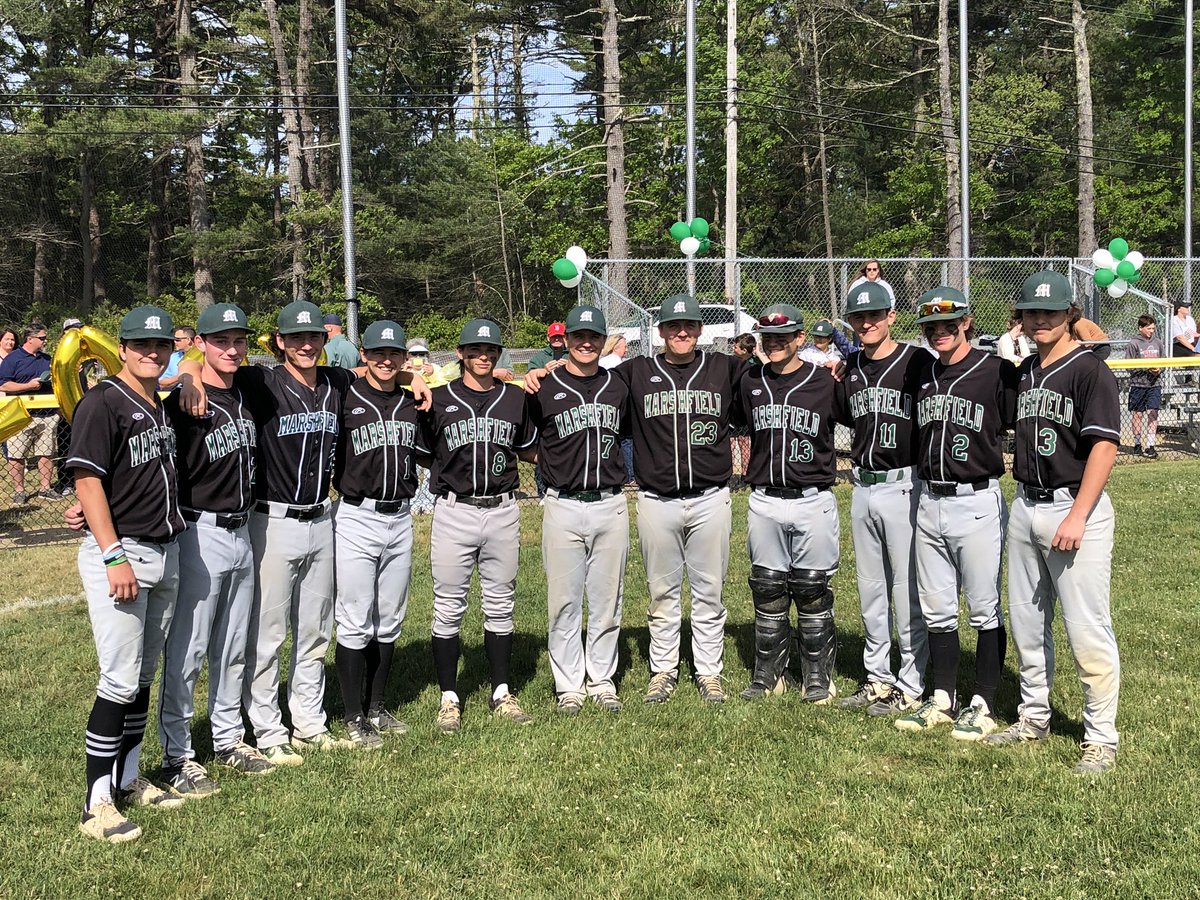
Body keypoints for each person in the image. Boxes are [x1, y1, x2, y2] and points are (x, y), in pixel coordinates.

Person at [176, 300, 428, 764]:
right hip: (271, 521)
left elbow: (387, 374)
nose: (305, 344)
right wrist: (189, 373)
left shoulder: (336, 382)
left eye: (313, 337)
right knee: (268, 632)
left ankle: (308, 721)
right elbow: (199, 358)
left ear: (325, 341)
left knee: (314, 631)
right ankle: (268, 728)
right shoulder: (261, 381)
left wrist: (415, 378)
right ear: (279, 342)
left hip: (323, 518)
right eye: (295, 338)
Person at [532, 293, 746, 705]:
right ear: (659, 332)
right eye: (671, 326)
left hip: (711, 497)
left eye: (687, 325)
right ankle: (662, 670)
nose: (680, 332)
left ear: (700, 329)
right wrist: (540, 371)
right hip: (655, 499)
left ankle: (709, 671)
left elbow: (771, 372)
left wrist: (829, 365)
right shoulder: (634, 373)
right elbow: (583, 376)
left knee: (710, 591)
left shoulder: (724, 368)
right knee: (661, 592)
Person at [986, 270, 1122, 775]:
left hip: (1072, 506)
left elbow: (1104, 447)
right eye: (1030, 312)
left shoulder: (1089, 370)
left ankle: (1101, 736)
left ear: (1070, 315)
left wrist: (1079, 514)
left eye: (1050, 311)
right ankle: (1034, 717)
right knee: (1026, 622)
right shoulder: (1025, 372)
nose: (1039, 319)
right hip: (1025, 504)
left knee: (1086, 628)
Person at [68, 305, 186, 844]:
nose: (153, 353)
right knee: (117, 679)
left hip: (164, 549)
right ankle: (97, 803)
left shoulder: (156, 401)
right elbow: (88, 483)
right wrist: (112, 553)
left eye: (161, 346)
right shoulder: (101, 401)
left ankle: (131, 776)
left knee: (142, 676)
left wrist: (185, 378)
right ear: (122, 347)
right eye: (142, 346)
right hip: (124, 554)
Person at [152, 302, 273, 796]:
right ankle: (177, 754)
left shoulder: (247, 389)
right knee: (191, 647)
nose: (230, 348)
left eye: (238, 339)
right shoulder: (183, 401)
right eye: (219, 340)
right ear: (198, 343)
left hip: (243, 530)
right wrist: (185, 374)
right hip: (200, 531)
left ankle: (227, 737)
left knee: (234, 642)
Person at [895, 287, 1019, 742]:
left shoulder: (996, 370)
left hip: (977, 497)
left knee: (984, 607)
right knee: (939, 606)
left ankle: (984, 701)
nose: (940, 332)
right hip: (929, 497)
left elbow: (1018, 419)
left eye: (949, 324)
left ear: (966, 322)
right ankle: (943, 696)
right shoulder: (923, 371)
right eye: (931, 326)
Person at [417, 319, 538, 732]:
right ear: (460, 352)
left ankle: (501, 690)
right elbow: (422, 453)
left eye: (490, 350)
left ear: (499, 354)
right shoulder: (435, 399)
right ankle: (449, 696)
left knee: (501, 603)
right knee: (448, 606)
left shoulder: (514, 399)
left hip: (503, 509)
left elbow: (528, 450)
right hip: (455, 510)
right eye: (475, 349)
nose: (483, 355)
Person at [525, 305, 629, 715]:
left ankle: (601, 679)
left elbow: (629, 432)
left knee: (607, 599)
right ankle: (569, 684)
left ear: (603, 342)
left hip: (610, 502)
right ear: (565, 340)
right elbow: (526, 440)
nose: (586, 342)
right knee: (563, 599)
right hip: (563, 503)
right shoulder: (543, 387)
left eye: (594, 336)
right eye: (578, 336)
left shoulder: (618, 385)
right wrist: (554, 463)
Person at [734, 304, 841, 704]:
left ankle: (817, 676)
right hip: (764, 497)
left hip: (812, 497)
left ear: (800, 339)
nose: (775, 343)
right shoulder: (750, 380)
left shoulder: (825, 381)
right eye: (768, 337)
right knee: (767, 587)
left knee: (812, 589)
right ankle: (769, 674)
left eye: (785, 336)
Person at [833, 282, 930, 718]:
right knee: (871, 589)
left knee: (906, 588)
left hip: (904, 483)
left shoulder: (918, 362)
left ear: (892, 315)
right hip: (862, 485)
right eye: (859, 317)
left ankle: (911, 682)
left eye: (875, 315)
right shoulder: (850, 365)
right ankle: (877, 678)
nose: (867, 323)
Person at [333, 320, 421, 748]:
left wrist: (415, 378)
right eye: (377, 353)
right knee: (354, 618)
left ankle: (377, 707)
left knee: (389, 618)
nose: (386, 360)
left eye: (394, 354)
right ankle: (352, 716)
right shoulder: (344, 394)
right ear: (362, 355)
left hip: (401, 517)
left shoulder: (412, 402)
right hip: (356, 516)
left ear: (404, 357)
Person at [0, 323, 58, 503]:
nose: (45, 340)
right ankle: (19, 491)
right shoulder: (13, 359)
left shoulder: (47, 359)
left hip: (47, 414)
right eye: (42, 338)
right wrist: (28, 386)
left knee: (46, 452)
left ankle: (45, 488)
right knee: (17, 455)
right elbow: (3, 384)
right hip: (21, 415)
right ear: (29, 339)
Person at [1125, 315, 1164, 458]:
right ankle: (1137, 443)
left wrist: (1159, 369)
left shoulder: (1158, 343)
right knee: (1137, 414)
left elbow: (1163, 361)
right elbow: (1128, 367)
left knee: (1153, 412)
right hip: (1138, 384)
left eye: (1153, 328)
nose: (1151, 331)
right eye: (1148, 328)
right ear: (1140, 328)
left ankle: (1150, 445)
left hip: (1154, 384)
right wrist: (1146, 367)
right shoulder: (1134, 343)